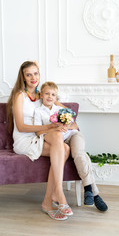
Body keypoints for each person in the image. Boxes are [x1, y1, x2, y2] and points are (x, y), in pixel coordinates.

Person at [7, 61, 74, 221]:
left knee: (63, 145)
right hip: (25, 140)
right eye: (28, 74)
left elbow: (67, 111)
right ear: (23, 77)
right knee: (63, 148)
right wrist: (51, 126)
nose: (33, 78)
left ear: (39, 74)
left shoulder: (43, 95)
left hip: (40, 135)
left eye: (35, 73)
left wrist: (63, 122)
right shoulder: (19, 96)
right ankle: (57, 194)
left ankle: (49, 200)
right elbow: (22, 127)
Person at [34, 81, 108, 212]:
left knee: (79, 155)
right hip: (58, 142)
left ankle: (90, 191)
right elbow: (38, 132)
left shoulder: (60, 110)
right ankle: (93, 193)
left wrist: (66, 126)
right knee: (82, 156)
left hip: (72, 136)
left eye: (53, 94)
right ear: (41, 95)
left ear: (56, 98)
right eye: (47, 93)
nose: (50, 97)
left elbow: (75, 126)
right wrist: (53, 128)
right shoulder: (38, 112)